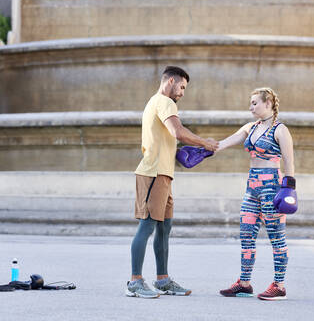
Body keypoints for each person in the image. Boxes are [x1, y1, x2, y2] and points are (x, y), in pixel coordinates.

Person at [126, 66, 219, 298]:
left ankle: (163, 280)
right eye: (182, 86)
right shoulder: (165, 102)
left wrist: (181, 152)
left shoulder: (155, 103)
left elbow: (167, 138)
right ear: (169, 81)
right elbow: (177, 131)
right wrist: (204, 143)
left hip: (164, 174)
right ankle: (134, 282)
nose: (183, 92)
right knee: (147, 225)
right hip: (153, 173)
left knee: (164, 229)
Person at [217, 87, 295, 300]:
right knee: (246, 234)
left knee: (276, 237)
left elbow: (289, 160)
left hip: (272, 186)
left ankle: (279, 285)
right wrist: (201, 149)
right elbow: (224, 143)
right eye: (250, 103)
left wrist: (289, 188)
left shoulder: (280, 130)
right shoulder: (250, 127)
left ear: (268, 103)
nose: (250, 107)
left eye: (254, 103)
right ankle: (244, 283)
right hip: (252, 187)